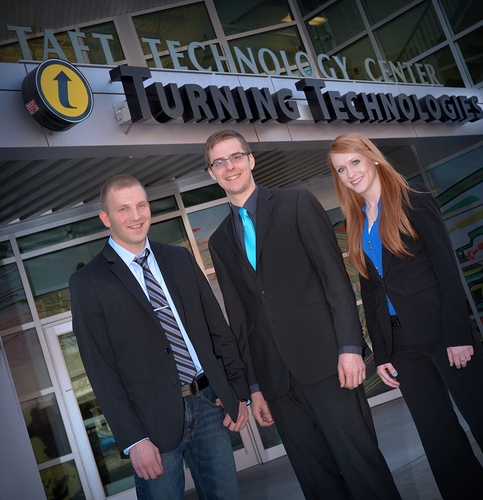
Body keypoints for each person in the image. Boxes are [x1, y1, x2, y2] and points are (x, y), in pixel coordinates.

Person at [205, 130, 402, 500]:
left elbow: (334, 278)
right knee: (318, 483)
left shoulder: (296, 203)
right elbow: (240, 318)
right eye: (219, 162)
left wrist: (350, 346)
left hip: (329, 365)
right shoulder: (219, 241)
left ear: (251, 160)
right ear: (212, 173)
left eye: (235, 157)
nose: (229, 166)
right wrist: (254, 387)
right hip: (276, 383)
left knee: (363, 468)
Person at [69, 174, 250, 500]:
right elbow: (100, 369)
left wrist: (236, 389)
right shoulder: (89, 282)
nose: (136, 216)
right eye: (123, 209)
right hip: (150, 425)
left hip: (209, 404)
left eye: (141, 205)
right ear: (106, 218)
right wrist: (133, 439)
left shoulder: (178, 258)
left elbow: (216, 328)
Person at [329, 133, 483, 499]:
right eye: (341, 169)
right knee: (437, 436)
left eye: (354, 162)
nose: (350, 174)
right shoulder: (356, 221)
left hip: (443, 332)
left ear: (372, 157)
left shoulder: (413, 199)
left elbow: (447, 268)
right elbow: (371, 292)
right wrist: (383, 352)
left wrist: (458, 334)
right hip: (401, 344)